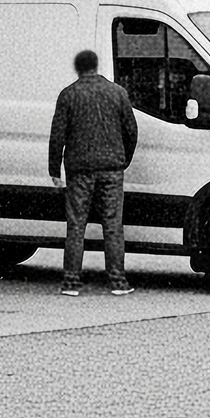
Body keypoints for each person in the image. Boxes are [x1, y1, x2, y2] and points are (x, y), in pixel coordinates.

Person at [49, 49, 138, 297]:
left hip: (79, 170)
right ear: (97, 66)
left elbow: (58, 135)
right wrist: (123, 159)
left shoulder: (68, 95)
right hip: (112, 168)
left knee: (76, 225)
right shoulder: (118, 93)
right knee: (112, 225)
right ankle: (118, 282)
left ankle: (71, 282)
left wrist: (54, 169)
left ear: (78, 68)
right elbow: (131, 130)